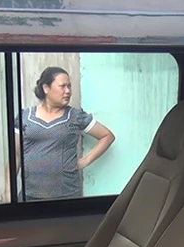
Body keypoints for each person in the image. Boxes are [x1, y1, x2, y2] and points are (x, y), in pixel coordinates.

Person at [10, 66, 115, 201]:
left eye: (69, 86)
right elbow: (16, 156)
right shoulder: (25, 117)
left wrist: (85, 161)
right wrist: (9, 193)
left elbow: (107, 136)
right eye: (62, 86)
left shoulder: (75, 116)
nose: (68, 91)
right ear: (46, 88)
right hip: (30, 196)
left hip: (66, 196)